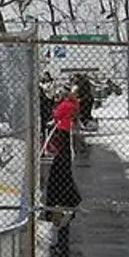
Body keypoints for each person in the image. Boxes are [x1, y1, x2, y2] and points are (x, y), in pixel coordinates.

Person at [42, 89, 82, 238]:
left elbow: (56, 115)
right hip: (64, 131)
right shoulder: (72, 105)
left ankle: (58, 203)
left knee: (58, 168)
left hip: (61, 130)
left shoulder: (65, 104)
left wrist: (55, 112)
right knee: (62, 166)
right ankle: (67, 199)